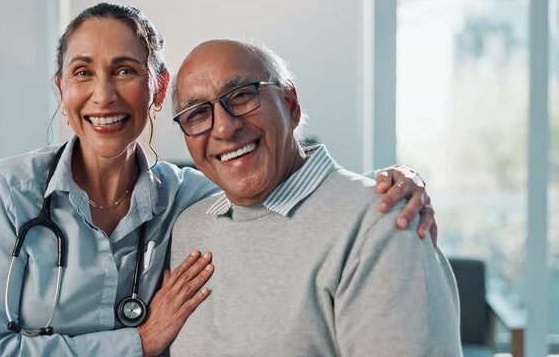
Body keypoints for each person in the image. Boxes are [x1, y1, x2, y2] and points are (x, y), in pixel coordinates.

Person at [0, 3, 437, 357]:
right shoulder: (8, 194)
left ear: (156, 88)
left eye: (124, 70)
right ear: (61, 87)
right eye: (82, 73)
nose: (103, 95)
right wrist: (136, 342)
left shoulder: (189, 198)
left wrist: (393, 182)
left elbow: (281, 179)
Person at [169, 40, 461, 356]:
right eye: (197, 113)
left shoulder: (383, 224)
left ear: (290, 104)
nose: (224, 128)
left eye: (242, 96)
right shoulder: (187, 227)